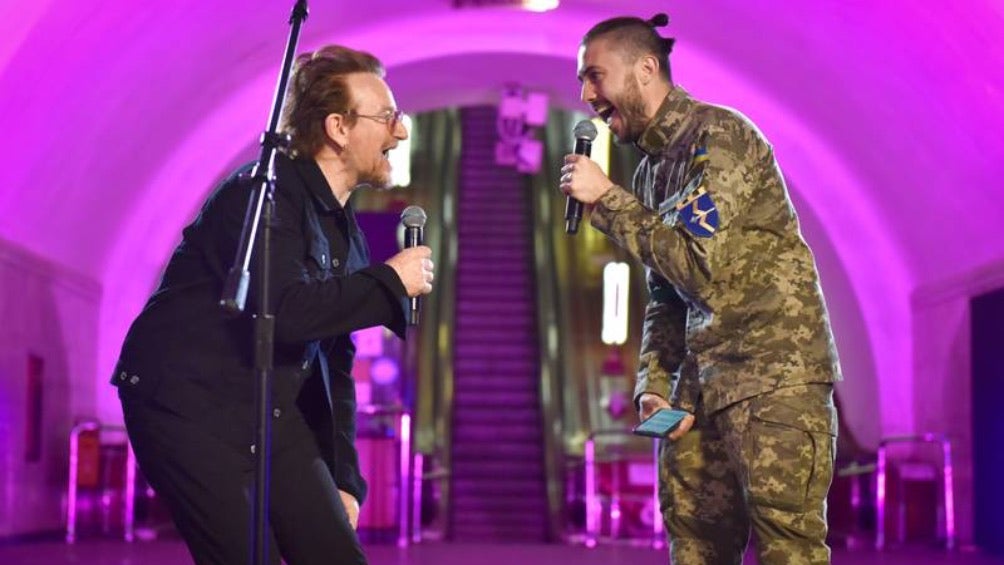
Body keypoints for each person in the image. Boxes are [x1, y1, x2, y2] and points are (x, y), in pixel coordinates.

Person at [111, 45, 434, 565]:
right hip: (187, 402)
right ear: (338, 127)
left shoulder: (344, 230)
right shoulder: (262, 195)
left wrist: (343, 478)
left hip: (267, 408)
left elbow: (335, 361)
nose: (400, 132)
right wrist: (389, 282)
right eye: (388, 117)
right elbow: (283, 312)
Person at [560, 14, 842, 565]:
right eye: (581, 81)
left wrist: (610, 202)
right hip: (698, 393)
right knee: (694, 544)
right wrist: (655, 384)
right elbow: (666, 295)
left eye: (595, 76)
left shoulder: (721, 138)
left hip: (773, 382)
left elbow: (697, 264)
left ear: (645, 69)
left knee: (789, 548)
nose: (586, 94)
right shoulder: (649, 174)